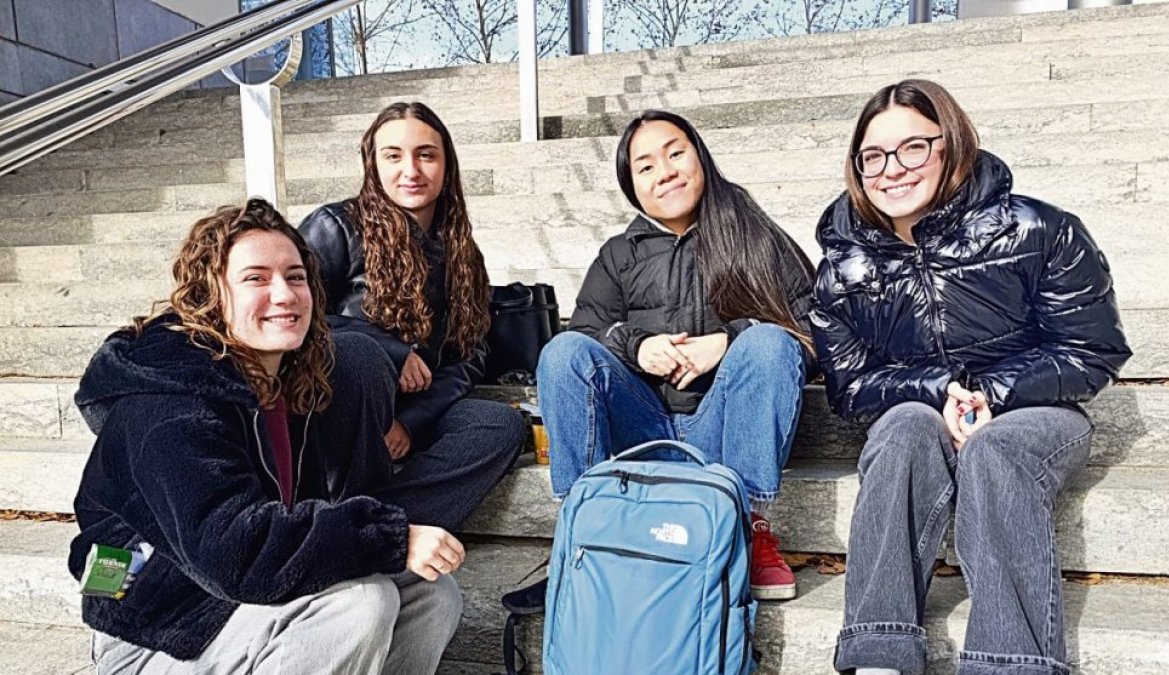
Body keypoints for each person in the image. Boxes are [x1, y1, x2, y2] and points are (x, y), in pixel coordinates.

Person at [809, 80, 1132, 675]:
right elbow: (851, 387)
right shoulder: (841, 271)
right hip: (925, 412)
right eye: (873, 156)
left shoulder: (1038, 230)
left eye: (913, 148)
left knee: (994, 447)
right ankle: (878, 652)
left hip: (1035, 410)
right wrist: (936, 390)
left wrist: (992, 394)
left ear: (950, 143)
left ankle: (1011, 663)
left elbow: (1092, 349)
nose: (892, 170)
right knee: (902, 428)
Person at [69, 199, 467, 674]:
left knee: (430, 592)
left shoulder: (288, 380)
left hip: (231, 603)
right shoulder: (166, 403)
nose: (284, 294)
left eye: (295, 276)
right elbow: (233, 549)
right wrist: (387, 536)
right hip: (153, 632)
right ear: (211, 296)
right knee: (358, 605)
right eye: (256, 278)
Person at [536, 110, 819, 601]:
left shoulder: (753, 235)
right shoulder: (617, 255)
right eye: (645, 166)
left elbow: (814, 329)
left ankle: (747, 528)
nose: (664, 171)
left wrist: (728, 341)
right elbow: (585, 335)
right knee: (562, 353)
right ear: (632, 186)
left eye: (675, 153)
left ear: (700, 157)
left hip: (721, 428)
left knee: (770, 342)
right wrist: (637, 346)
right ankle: (583, 528)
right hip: (639, 428)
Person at [299, 102, 524, 530]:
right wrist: (392, 350)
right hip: (343, 404)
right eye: (393, 155)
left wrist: (410, 420)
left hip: (416, 409)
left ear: (446, 164)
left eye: (426, 154)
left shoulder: (461, 249)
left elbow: (470, 351)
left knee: (498, 424)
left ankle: (372, 527)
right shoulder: (336, 226)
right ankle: (352, 521)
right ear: (373, 163)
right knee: (358, 354)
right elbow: (294, 317)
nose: (411, 170)